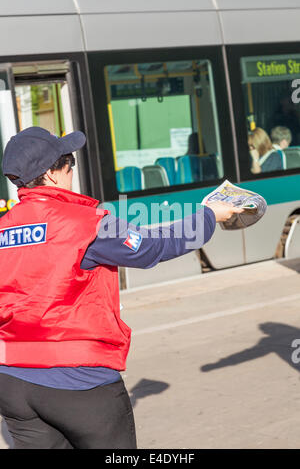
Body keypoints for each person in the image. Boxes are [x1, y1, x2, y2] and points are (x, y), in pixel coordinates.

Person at [0, 126, 243, 450]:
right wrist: (209, 216)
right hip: (78, 381)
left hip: (12, 383)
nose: (73, 169)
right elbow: (152, 247)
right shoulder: (87, 223)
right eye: (69, 162)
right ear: (51, 174)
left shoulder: (3, 228)